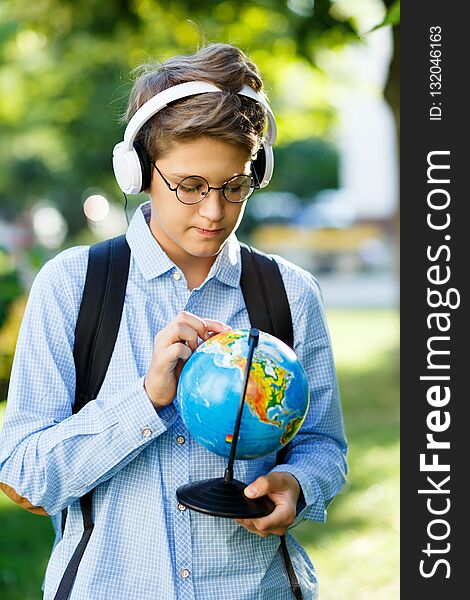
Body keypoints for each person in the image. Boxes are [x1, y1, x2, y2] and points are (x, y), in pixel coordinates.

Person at [0, 42, 347, 599]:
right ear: (137, 171)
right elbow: (24, 477)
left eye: (235, 187)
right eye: (189, 187)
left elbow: (324, 444)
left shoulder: (291, 294)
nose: (214, 211)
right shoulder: (72, 287)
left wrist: (299, 485)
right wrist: (145, 401)